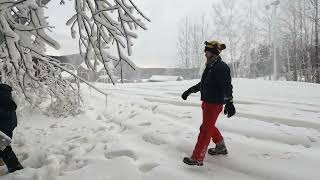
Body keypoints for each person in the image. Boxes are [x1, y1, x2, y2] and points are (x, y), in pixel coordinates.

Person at [181, 40, 236, 166]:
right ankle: (220, 146)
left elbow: (227, 85)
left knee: (205, 129)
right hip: (207, 102)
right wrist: (190, 90)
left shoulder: (221, 67)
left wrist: (229, 102)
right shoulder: (210, 66)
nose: (205, 53)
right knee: (209, 126)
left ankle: (197, 158)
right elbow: (204, 84)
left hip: (214, 104)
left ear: (213, 53)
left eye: (207, 51)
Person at [0, 84, 23, 173]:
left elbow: (8, 108)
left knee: (4, 148)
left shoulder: (3, 93)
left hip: (4, 125)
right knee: (3, 147)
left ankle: (16, 169)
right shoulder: (4, 92)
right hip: (6, 124)